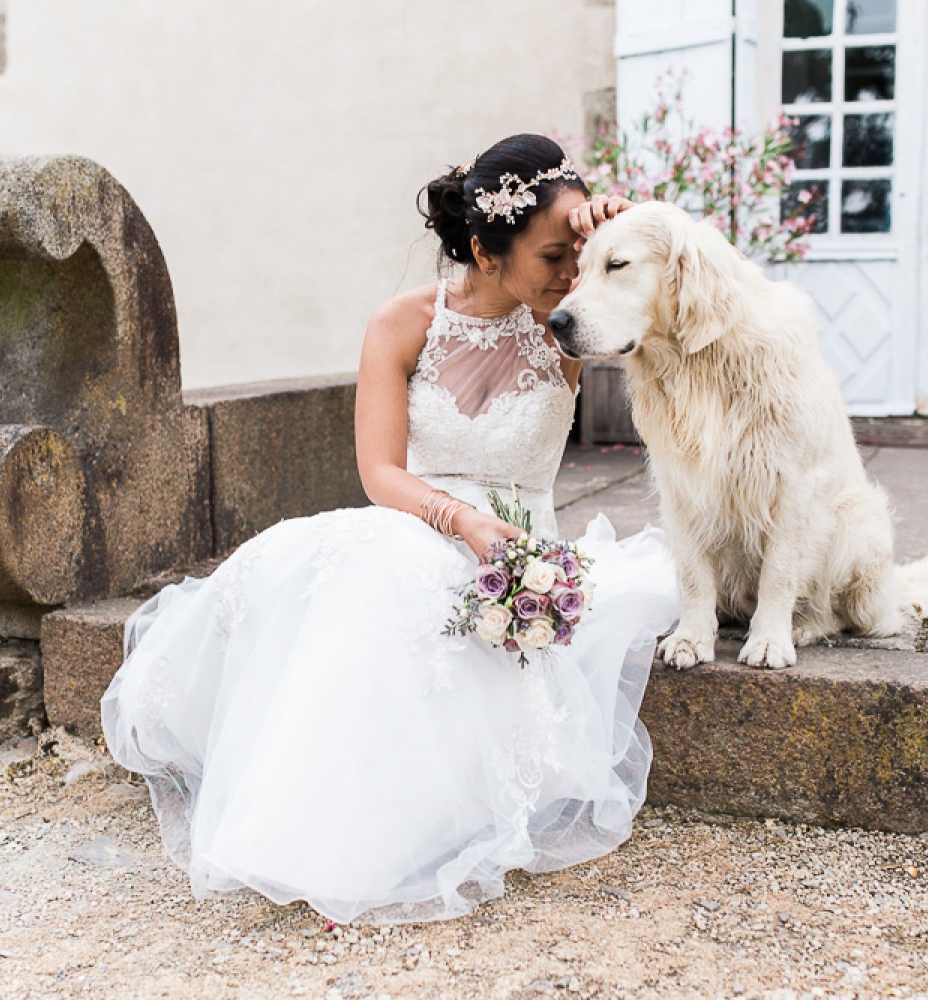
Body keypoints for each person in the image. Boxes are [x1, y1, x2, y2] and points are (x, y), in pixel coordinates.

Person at [101, 134, 681, 925]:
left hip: (518, 547)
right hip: (417, 518)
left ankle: (364, 822)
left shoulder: (575, 323)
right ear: (484, 250)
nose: (568, 276)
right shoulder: (403, 322)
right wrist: (461, 519)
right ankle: (308, 810)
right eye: (554, 257)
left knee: (404, 594)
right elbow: (381, 474)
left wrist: (626, 222)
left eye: (578, 255)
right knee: (360, 562)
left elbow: (665, 287)